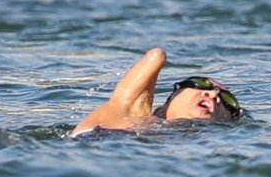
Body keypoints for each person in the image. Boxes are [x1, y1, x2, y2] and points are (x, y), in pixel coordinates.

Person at [73, 48, 244, 136]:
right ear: (161, 110)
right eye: (200, 84)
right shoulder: (125, 114)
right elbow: (156, 56)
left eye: (226, 100)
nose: (213, 95)